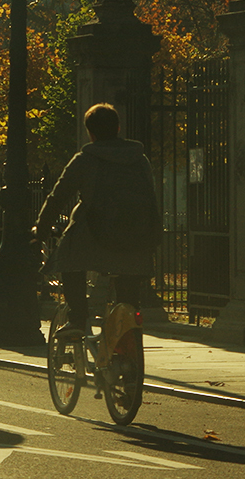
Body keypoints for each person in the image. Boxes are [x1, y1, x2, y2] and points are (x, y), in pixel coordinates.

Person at [32, 103, 159, 336]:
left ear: (90, 132)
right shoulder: (140, 160)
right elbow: (150, 200)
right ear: (118, 128)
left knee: (69, 260)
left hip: (94, 237)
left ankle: (78, 319)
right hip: (136, 238)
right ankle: (128, 326)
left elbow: (57, 198)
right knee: (128, 288)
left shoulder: (85, 159)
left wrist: (39, 232)